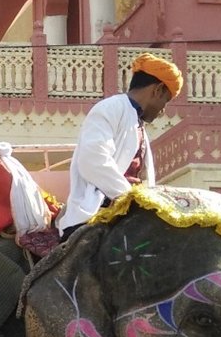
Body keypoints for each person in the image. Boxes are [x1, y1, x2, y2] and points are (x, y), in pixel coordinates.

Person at [57, 51, 183, 233]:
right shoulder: (110, 108)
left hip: (130, 213)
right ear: (158, 90)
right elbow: (93, 160)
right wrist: (130, 198)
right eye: (166, 100)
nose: (163, 110)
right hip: (98, 211)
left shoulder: (137, 123)